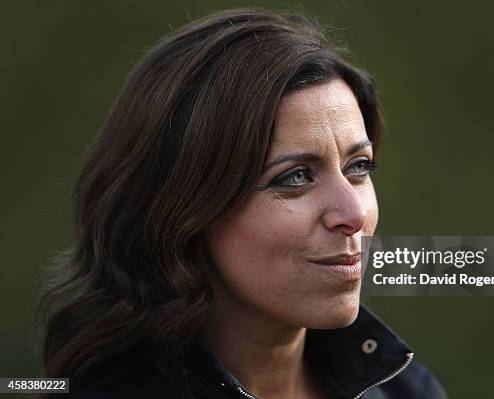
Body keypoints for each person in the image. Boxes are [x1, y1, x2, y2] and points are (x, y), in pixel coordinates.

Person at [37, 8, 447, 399]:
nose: (354, 215)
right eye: (295, 177)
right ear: (185, 208)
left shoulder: (406, 388)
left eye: (358, 166)